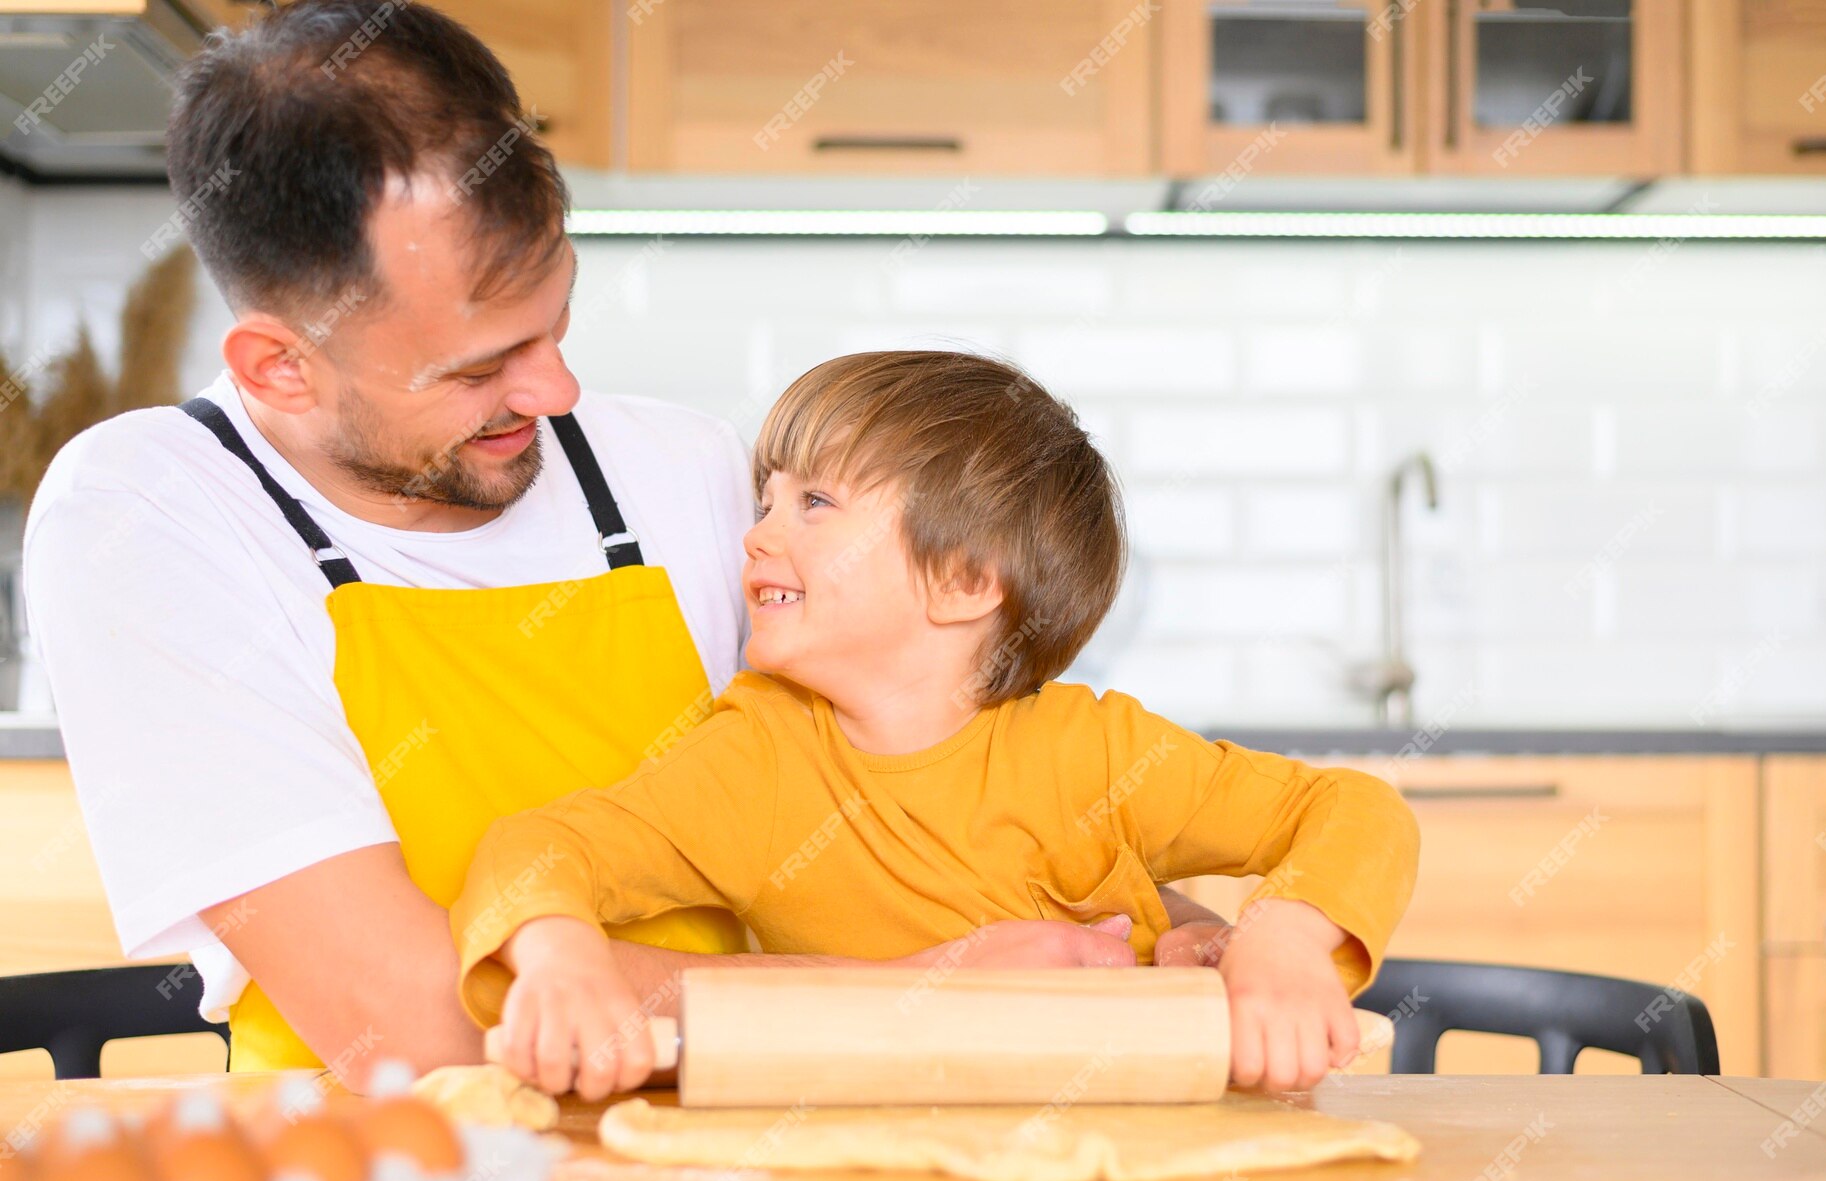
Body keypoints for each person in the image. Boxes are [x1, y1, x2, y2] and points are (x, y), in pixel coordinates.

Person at [22, 2, 1171, 1083]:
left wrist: (1163, 934)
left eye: (555, 322)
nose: (557, 388)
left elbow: (942, 788)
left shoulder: (683, 467)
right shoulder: (146, 514)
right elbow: (413, 1015)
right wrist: (918, 1001)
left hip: (758, 1146)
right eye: (477, 368)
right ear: (280, 365)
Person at [456, 351, 1421, 1101]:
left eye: (817, 503)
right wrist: (559, 953)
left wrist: (1282, 944)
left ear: (964, 582)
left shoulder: (1094, 750)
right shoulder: (755, 762)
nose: (756, 535)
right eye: (766, 501)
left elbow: (1353, 809)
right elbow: (539, 847)